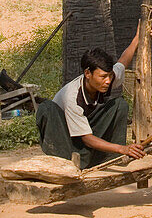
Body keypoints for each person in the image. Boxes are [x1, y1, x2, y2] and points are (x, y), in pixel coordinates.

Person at [35, 28, 145, 169]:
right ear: (88, 73)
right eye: (103, 77)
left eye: (110, 76)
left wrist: (137, 39)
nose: (108, 81)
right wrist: (122, 148)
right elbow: (86, 139)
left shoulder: (106, 79)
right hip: (65, 136)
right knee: (47, 107)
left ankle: (108, 158)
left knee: (119, 104)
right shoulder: (72, 96)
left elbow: (123, 62)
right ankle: (67, 161)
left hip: (85, 128)